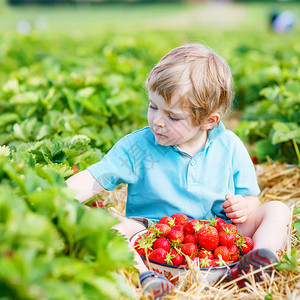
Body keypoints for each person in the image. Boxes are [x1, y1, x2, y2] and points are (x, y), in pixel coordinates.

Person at [66, 44, 290, 298]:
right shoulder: (139, 146)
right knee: (109, 223)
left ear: (208, 121)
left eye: (172, 117)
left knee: (277, 210)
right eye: (153, 106)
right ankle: (144, 275)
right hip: (151, 237)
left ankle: (253, 265)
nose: (157, 121)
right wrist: (58, 198)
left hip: (217, 235)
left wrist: (245, 207)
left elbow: (251, 198)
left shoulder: (230, 147)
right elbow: (94, 179)